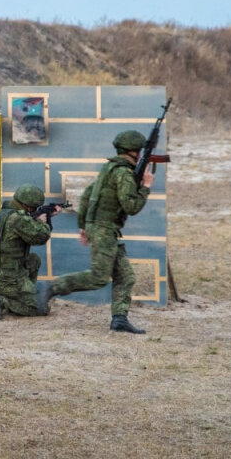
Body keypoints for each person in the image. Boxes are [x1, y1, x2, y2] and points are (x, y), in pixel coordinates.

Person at [38, 130, 154, 334]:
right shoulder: (123, 173)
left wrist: (84, 225)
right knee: (98, 277)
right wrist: (146, 186)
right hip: (104, 230)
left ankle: (119, 318)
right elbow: (131, 207)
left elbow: (87, 195)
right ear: (134, 151)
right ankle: (52, 288)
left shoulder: (110, 168)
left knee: (125, 276)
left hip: (102, 228)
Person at [0, 184, 59, 320]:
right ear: (28, 206)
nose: (34, 210)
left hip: (0, 274)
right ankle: (3, 301)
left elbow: (27, 227)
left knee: (33, 260)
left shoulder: (5, 213)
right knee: (42, 308)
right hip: (9, 281)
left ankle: (24, 293)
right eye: (34, 208)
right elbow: (41, 237)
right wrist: (42, 222)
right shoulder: (18, 219)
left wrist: (47, 217)